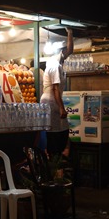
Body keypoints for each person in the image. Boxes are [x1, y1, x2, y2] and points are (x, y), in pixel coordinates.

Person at [40, 27, 73, 157]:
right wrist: (61, 108)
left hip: (53, 101)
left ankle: (56, 158)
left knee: (62, 129)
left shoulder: (57, 62)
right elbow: (55, 89)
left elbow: (71, 50)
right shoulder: (55, 65)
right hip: (51, 101)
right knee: (56, 132)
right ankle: (54, 158)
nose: (68, 53)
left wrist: (70, 33)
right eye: (66, 51)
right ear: (61, 51)